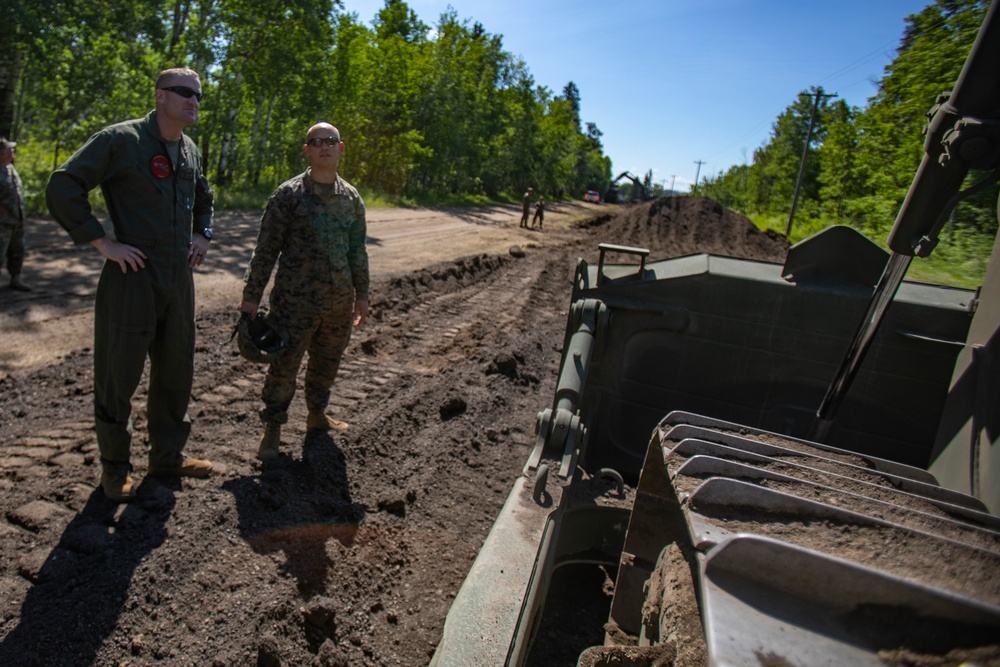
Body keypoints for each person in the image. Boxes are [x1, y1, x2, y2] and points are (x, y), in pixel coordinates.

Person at [45, 67, 215, 502]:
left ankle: (167, 457)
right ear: (160, 96)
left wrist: (202, 234)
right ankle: (115, 468)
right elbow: (64, 186)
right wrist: (103, 242)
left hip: (178, 276)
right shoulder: (122, 141)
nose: (193, 100)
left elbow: (204, 199)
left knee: (177, 369)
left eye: (198, 94)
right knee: (117, 376)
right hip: (132, 274)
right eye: (183, 93)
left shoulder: (190, 149)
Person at [239, 122, 370, 460]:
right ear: (307, 149)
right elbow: (265, 249)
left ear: (341, 148)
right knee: (284, 368)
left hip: (338, 305)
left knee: (326, 364)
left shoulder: (351, 198)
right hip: (293, 305)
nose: (324, 146)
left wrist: (362, 295)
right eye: (317, 141)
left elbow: (357, 251)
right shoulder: (288, 195)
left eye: (331, 141)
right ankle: (272, 429)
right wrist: (251, 296)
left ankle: (316, 415)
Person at [0, 137, 30, 291]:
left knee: (17, 251)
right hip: (2, 223)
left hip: (17, 220)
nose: (12, 152)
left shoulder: (11, 169)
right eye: (9, 150)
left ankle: (15, 279)